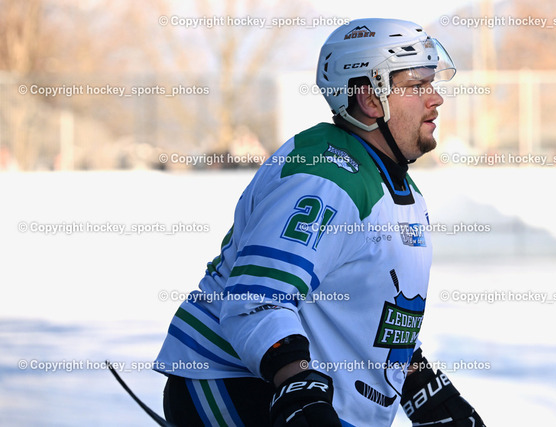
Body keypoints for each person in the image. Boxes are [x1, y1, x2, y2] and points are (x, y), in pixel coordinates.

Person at [155, 18, 485, 427]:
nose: (435, 98)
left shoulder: (399, 189)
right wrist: (298, 386)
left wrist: (428, 395)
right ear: (371, 99)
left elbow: (372, 318)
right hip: (232, 380)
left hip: (306, 393)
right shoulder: (325, 176)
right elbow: (257, 299)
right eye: (417, 85)